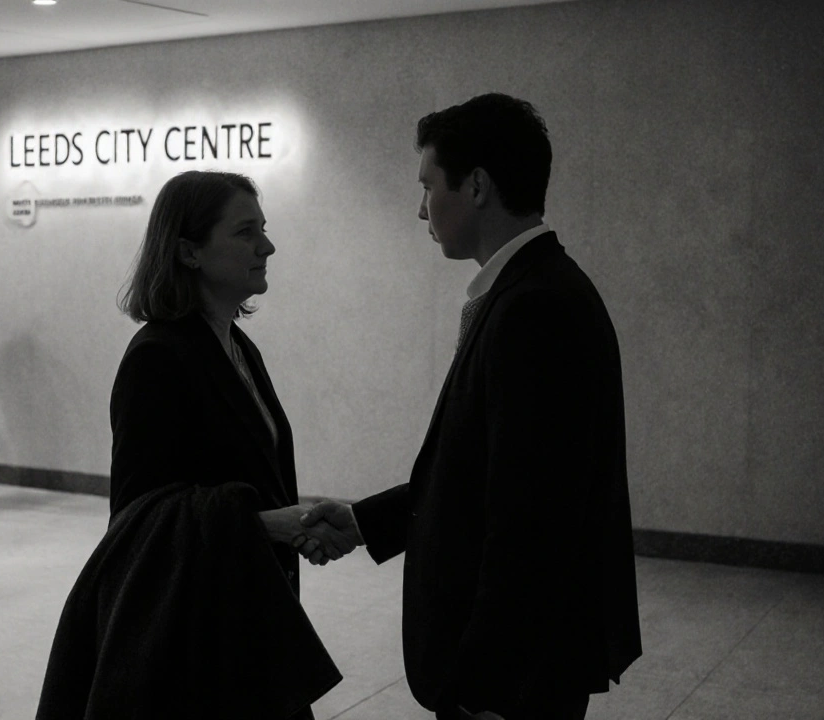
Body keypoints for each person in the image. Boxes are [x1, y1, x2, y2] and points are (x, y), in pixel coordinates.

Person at [299, 93, 643, 719]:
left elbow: (528, 526)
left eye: (428, 186)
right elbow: (480, 477)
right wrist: (366, 522)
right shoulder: (531, 291)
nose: (419, 209)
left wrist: (484, 691)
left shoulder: (534, 309)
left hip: (514, 679)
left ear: (477, 185)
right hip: (525, 666)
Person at [37, 171, 354, 720]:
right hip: (198, 636)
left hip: (243, 608)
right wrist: (265, 523)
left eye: (264, 228)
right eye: (245, 231)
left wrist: (281, 526)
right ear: (188, 251)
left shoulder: (236, 344)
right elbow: (140, 523)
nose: (267, 245)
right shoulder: (157, 358)